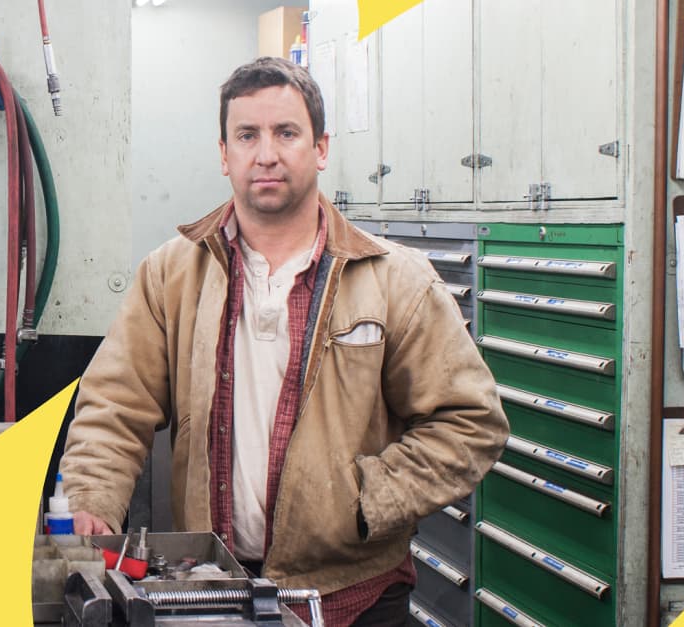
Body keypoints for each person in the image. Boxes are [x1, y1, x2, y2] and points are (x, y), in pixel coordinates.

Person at [59, 56, 508, 626]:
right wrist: (94, 501)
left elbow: (471, 423)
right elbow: (114, 406)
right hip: (209, 590)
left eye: (286, 133)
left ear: (320, 149)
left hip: (352, 599)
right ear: (224, 154)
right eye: (247, 135)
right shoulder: (171, 275)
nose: (265, 153)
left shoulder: (396, 279)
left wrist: (364, 502)